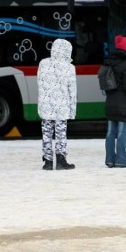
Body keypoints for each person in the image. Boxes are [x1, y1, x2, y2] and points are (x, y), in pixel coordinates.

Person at [37, 38, 77, 170]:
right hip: (62, 106)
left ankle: (47, 162)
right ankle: (61, 160)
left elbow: (39, 83)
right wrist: (72, 110)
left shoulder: (43, 63)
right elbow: (72, 91)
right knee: (61, 133)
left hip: (46, 105)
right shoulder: (69, 67)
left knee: (46, 133)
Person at [104, 35, 126, 168]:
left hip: (111, 101)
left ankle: (110, 159)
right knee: (122, 132)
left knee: (111, 132)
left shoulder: (108, 62)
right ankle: (121, 159)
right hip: (124, 103)